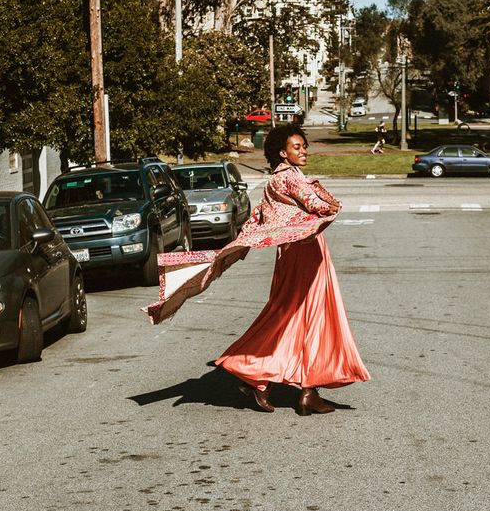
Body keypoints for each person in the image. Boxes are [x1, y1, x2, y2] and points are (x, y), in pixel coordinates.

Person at [143, 124, 370, 416]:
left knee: (299, 317)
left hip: (292, 254)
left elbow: (256, 220)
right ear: (282, 152)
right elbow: (320, 205)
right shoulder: (290, 177)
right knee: (303, 315)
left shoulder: (273, 182)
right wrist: (328, 202)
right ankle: (250, 370)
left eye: (304, 146)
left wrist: (238, 246)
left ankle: (306, 390)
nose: (304, 151)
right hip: (305, 253)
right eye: (297, 147)